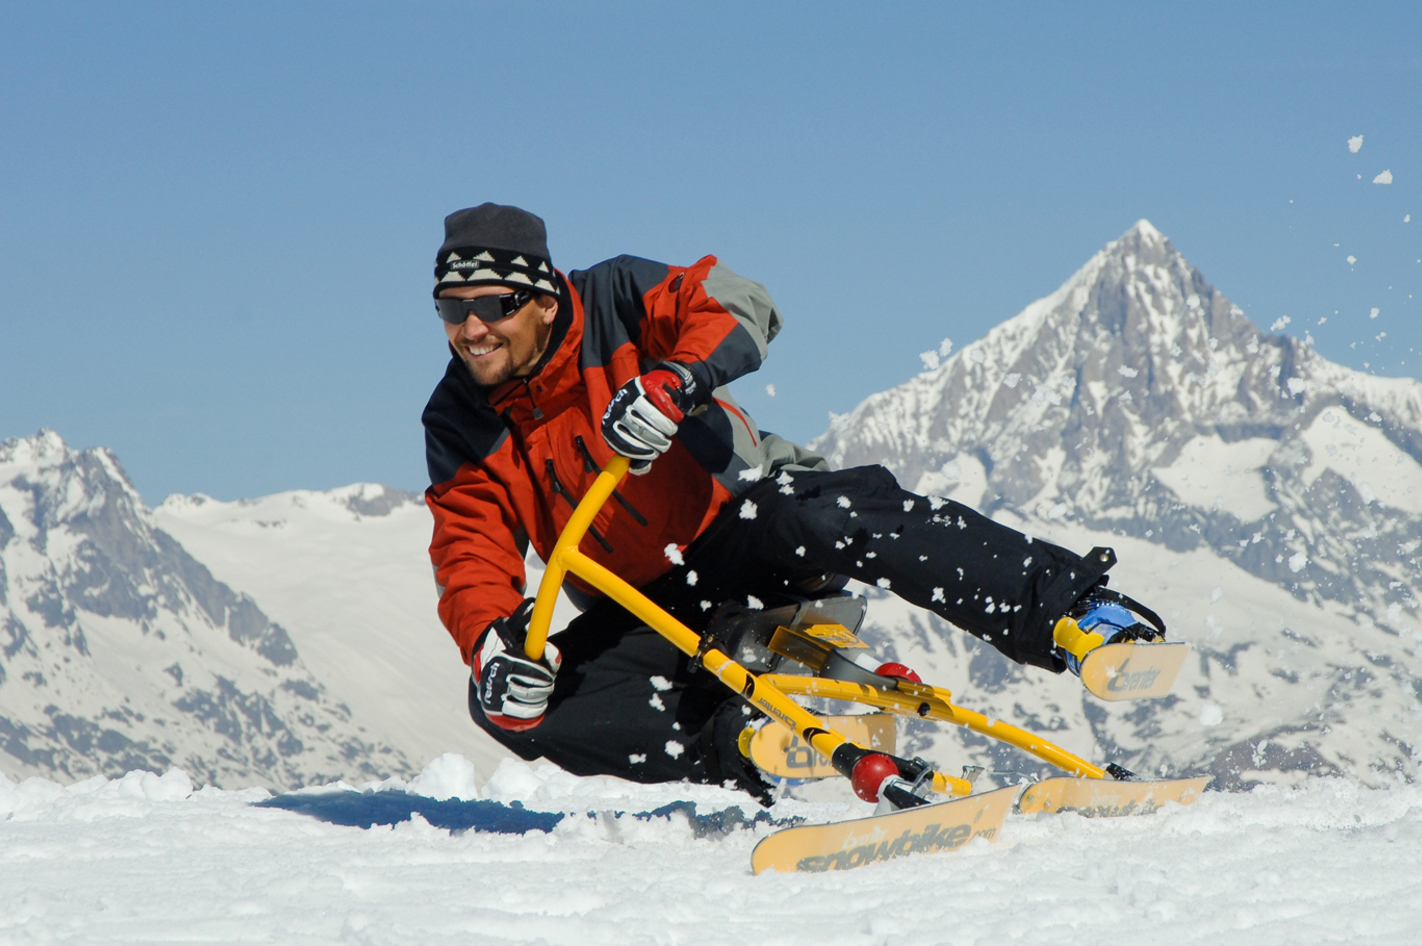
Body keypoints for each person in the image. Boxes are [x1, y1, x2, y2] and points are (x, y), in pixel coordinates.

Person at [421, 203, 1159, 801]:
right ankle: (742, 739)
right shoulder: (460, 418)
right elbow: (468, 546)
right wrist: (491, 643)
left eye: (495, 303)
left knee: (829, 514)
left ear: (545, 302)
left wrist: (677, 381)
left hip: (740, 529)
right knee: (509, 706)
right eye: (452, 308)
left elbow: (739, 303)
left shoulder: (614, 298)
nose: (472, 327)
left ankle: (1069, 611)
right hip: (647, 605)